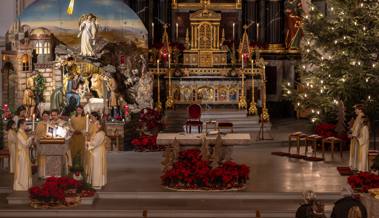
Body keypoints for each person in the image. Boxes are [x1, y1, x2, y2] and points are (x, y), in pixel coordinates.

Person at [86, 119, 107, 189]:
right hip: (95, 151)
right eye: (96, 123)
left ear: (101, 126)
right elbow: (92, 140)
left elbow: (95, 143)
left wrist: (88, 143)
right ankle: (94, 182)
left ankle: (97, 183)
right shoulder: (96, 132)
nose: (96, 125)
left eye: (98, 124)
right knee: (94, 166)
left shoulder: (101, 133)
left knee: (97, 167)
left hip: (98, 152)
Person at [14, 119, 34, 191]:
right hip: (21, 154)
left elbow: (27, 144)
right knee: (23, 170)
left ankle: (26, 185)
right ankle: (22, 185)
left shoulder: (23, 132)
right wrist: (31, 138)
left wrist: (30, 139)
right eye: (25, 124)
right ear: (21, 125)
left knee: (25, 169)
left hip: (24, 153)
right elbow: (25, 144)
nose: (26, 126)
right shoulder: (19, 133)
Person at [349, 104, 365, 170]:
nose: (355, 110)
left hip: (358, 136)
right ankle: (355, 166)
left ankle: (356, 166)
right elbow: (355, 127)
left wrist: (352, 134)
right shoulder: (359, 116)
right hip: (356, 136)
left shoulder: (361, 116)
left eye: (356, 109)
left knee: (357, 152)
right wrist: (351, 130)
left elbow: (358, 128)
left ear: (360, 109)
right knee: (355, 152)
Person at [35, 111, 49, 178]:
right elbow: (37, 134)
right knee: (41, 159)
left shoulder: (51, 123)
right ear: (42, 117)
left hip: (49, 143)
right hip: (41, 144)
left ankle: (48, 173)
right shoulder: (39, 124)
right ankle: (41, 174)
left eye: (46, 116)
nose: (45, 117)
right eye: (44, 116)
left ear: (48, 116)